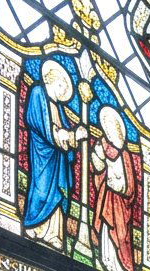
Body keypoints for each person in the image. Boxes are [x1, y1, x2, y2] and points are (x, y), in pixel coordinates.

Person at [23, 60, 86, 250]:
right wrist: (68, 135)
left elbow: (65, 140)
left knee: (58, 195)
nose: (63, 92)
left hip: (57, 161)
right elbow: (40, 124)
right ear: (53, 81)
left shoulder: (58, 108)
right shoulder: (37, 93)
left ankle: (54, 234)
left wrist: (73, 137)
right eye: (62, 87)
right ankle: (34, 226)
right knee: (41, 190)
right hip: (42, 153)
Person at [91, 106, 138, 271]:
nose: (109, 131)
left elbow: (129, 186)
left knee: (120, 235)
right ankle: (108, 261)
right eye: (107, 126)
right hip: (107, 198)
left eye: (112, 126)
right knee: (105, 229)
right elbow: (98, 170)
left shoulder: (124, 154)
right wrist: (98, 157)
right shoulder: (102, 145)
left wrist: (117, 182)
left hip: (119, 202)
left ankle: (122, 268)